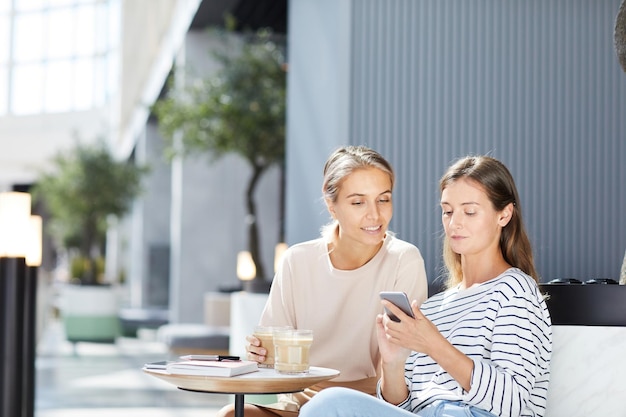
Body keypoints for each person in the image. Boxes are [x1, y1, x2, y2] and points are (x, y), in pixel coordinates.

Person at [299, 155, 552, 417]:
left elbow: (511, 402)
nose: (455, 223)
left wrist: (433, 344)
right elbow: (403, 408)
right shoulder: (434, 307)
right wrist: (393, 363)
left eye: (470, 211)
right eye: (448, 211)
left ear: (504, 214)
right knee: (325, 406)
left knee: (330, 405)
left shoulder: (515, 291)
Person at [216, 145, 429, 417]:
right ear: (331, 205)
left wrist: (319, 390)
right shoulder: (298, 261)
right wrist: (260, 356)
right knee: (230, 414)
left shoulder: (404, 260)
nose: (375, 215)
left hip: (362, 409)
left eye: (383, 199)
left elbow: (399, 378)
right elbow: (273, 364)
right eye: (358, 202)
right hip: (299, 409)